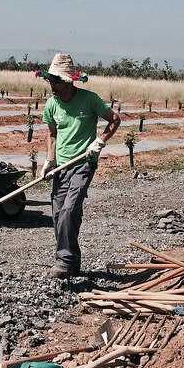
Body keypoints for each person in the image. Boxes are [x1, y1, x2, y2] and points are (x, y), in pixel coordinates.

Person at [40, 53, 120, 279]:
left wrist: (99, 142)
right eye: (50, 80)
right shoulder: (51, 104)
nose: (52, 85)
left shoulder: (89, 99)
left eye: (56, 81)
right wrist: (49, 159)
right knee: (58, 215)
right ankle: (72, 261)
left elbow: (115, 119)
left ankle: (64, 261)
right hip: (61, 166)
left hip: (84, 163)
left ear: (68, 81)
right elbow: (52, 134)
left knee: (69, 210)